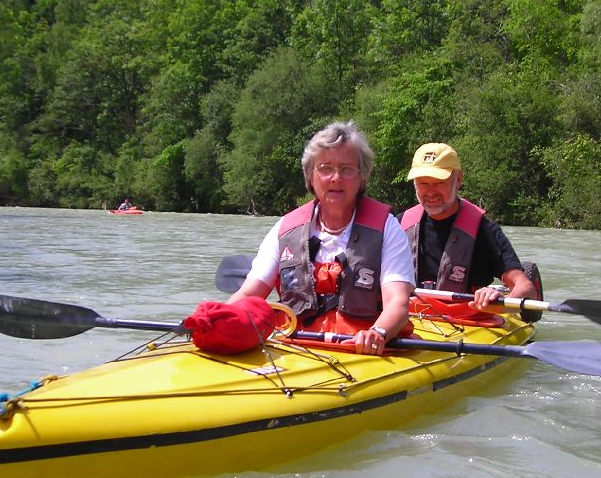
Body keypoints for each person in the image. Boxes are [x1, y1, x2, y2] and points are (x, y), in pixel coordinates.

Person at [228, 121, 415, 355]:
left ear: (362, 177)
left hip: (363, 351)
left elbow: (398, 302)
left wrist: (378, 332)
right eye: (325, 169)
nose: (336, 178)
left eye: (347, 169)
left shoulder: (387, 227)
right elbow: (249, 294)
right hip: (295, 347)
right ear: (311, 176)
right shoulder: (285, 229)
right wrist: (217, 318)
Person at [401, 142, 539, 312]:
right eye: (423, 183)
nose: (430, 192)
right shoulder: (398, 225)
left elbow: (526, 288)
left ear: (458, 180)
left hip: (467, 317)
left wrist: (501, 302)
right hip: (411, 314)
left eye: (439, 182)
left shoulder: (484, 230)